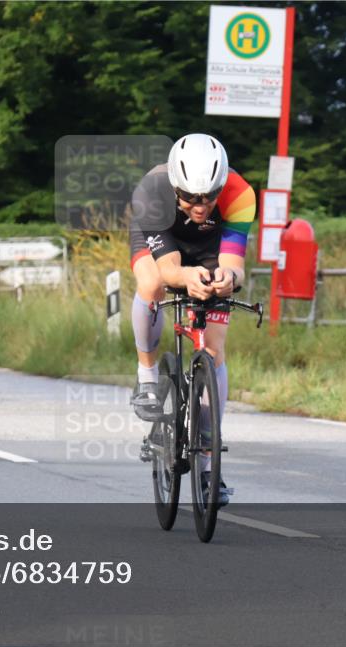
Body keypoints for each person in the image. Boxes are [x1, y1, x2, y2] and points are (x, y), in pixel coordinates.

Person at [128, 134, 256, 505]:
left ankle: (209, 472)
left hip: (209, 248)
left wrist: (228, 278)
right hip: (161, 241)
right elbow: (170, 270)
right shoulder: (152, 192)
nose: (200, 206)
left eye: (209, 197)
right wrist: (186, 277)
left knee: (213, 349)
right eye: (189, 198)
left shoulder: (240, 195)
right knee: (152, 284)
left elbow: (234, 264)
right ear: (174, 187)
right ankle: (147, 377)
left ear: (221, 187)